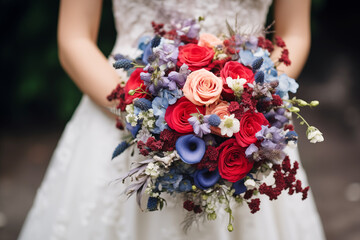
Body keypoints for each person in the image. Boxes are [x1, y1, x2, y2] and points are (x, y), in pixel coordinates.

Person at [18, 0, 326, 239]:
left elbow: (294, 34)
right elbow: (73, 38)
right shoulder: (141, 110)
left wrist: (250, 101)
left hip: (244, 123)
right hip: (123, 112)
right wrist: (147, 112)